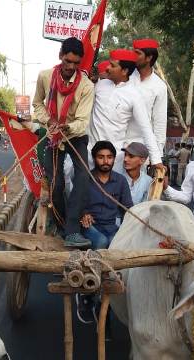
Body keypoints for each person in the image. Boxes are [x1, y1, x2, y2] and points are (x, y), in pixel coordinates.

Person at [26, 37, 94, 248]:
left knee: (83, 177)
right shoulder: (45, 77)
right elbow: (37, 104)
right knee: (56, 184)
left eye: (75, 63)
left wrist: (67, 127)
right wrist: (49, 121)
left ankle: (72, 230)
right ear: (60, 56)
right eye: (67, 61)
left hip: (75, 136)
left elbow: (82, 122)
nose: (70, 67)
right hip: (52, 135)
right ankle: (62, 224)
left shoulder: (86, 85)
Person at [87, 49, 165, 173]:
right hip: (89, 154)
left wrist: (156, 160)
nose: (107, 68)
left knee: (111, 191)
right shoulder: (100, 85)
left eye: (112, 65)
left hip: (114, 160)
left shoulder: (134, 95)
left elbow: (146, 129)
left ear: (124, 71)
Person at [80, 141, 133, 250]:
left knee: (117, 244)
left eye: (109, 157)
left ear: (114, 159)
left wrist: (126, 231)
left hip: (111, 227)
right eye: (101, 157)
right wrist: (84, 214)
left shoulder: (120, 181)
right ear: (94, 158)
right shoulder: (85, 179)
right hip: (89, 226)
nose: (105, 161)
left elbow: (127, 208)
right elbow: (75, 204)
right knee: (102, 241)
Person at [130, 38, 168, 152]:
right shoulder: (125, 78)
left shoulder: (159, 86)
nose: (133, 56)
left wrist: (157, 156)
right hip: (118, 144)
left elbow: (159, 123)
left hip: (143, 149)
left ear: (149, 57)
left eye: (137, 53)